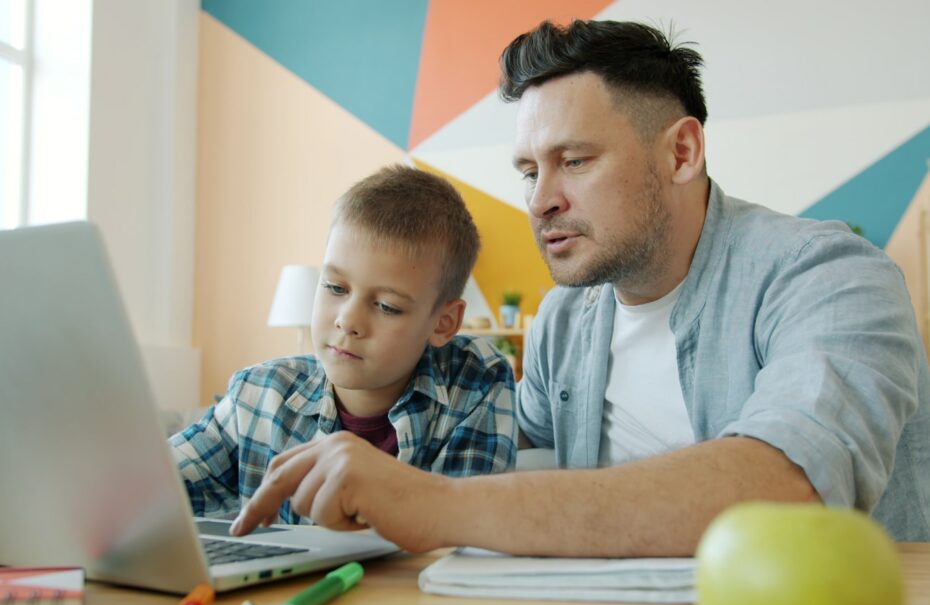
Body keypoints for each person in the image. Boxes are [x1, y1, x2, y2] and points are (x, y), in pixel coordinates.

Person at [230, 20, 930, 553]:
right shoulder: (567, 318)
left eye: (574, 160)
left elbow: (789, 486)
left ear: (681, 152)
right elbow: (506, 447)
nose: (539, 202)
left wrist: (433, 503)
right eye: (530, 171)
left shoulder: (832, 277)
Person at [171, 165, 517, 523]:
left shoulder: (475, 383)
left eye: (387, 306)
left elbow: (467, 527)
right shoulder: (257, 396)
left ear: (444, 323)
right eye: (335, 288)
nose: (348, 320)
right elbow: (152, 490)